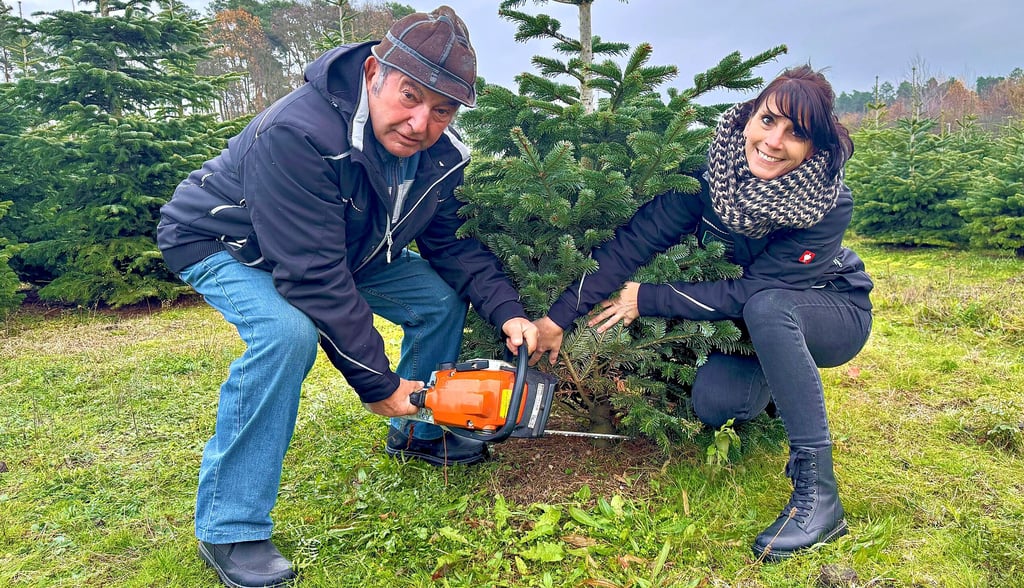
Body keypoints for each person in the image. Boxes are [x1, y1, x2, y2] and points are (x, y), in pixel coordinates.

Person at [157, 6, 537, 587]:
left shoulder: (441, 157)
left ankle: (419, 434)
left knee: (436, 301)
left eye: (441, 110)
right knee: (286, 334)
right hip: (224, 239)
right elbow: (312, 275)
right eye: (409, 96)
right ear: (373, 72)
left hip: (341, 247)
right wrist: (378, 385)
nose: (419, 122)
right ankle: (230, 526)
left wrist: (509, 312)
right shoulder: (298, 132)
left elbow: (450, 245)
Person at [531, 66, 873, 562]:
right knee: (715, 403)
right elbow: (631, 246)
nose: (774, 141)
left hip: (831, 310)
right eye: (768, 120)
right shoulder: (709, 178)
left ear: (814, 148)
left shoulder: (827, 200)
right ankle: (782, 391)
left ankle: (820, 498)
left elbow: (756, 290)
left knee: (769, 305)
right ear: (748, 119)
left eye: (795, 133)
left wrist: (648, 298)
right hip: (758, 327)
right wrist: (557, 319)